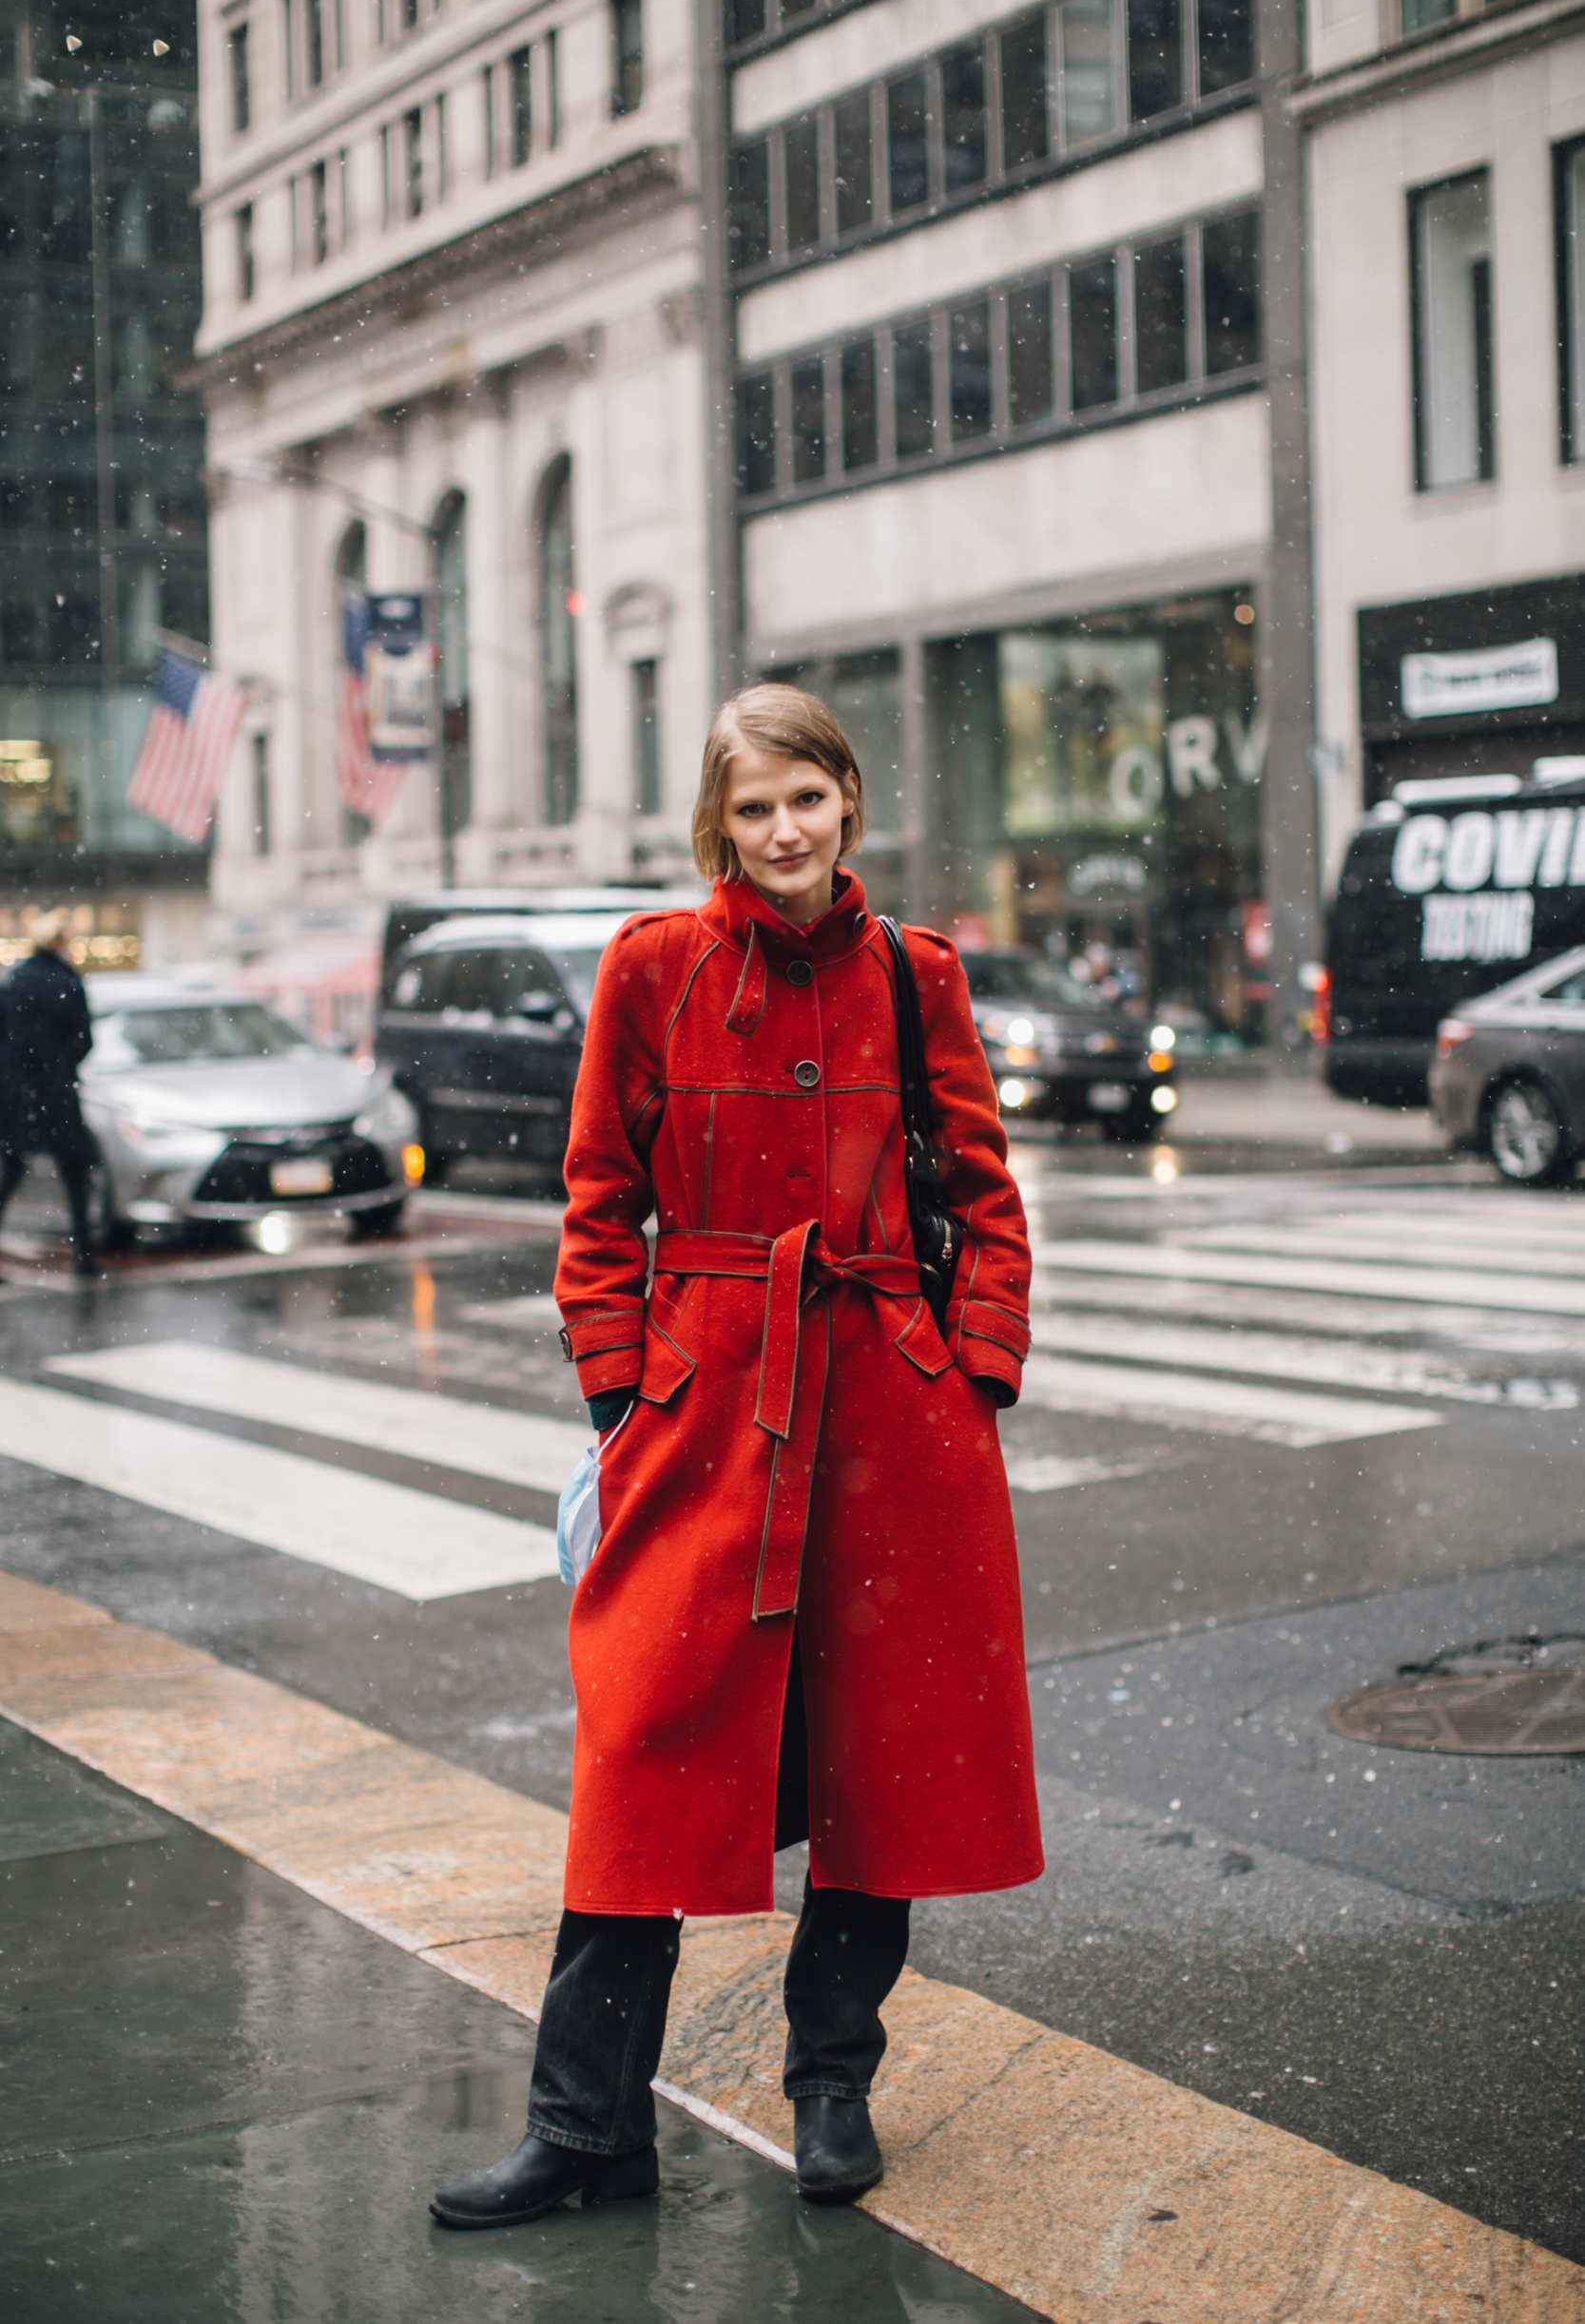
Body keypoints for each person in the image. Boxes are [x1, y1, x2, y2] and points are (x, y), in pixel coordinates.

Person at [431, 685, 1043, 2231]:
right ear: (722, 820)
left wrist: (969, 1369)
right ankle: (585, 2133)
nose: (784, 832)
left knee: (877, 1767)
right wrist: (617, 1402)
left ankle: (831, 2089)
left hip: (893, 1422)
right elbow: (593, 1207)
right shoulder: (653, 967)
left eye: (809, 800)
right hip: (704, 1409)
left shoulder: (916, 977)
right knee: (640, 1758)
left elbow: (981, 1188)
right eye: (755, 808)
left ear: (850, 801)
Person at [0, 912, 100, 1277]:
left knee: (10, 1170)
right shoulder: (66, 981)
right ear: (60, 943)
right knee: (76, 1171)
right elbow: (84, 1039)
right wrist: (62, 1066)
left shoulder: (14, 979)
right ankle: (84, 1255)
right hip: (55, 1089)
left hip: (16, 1091)